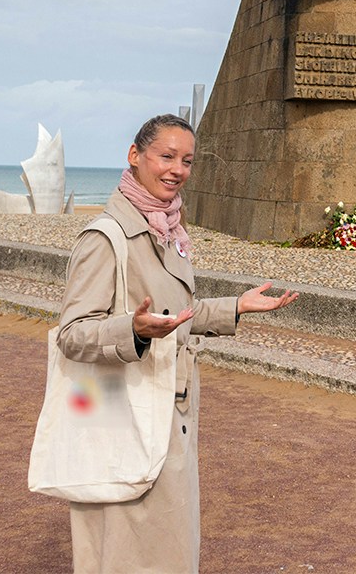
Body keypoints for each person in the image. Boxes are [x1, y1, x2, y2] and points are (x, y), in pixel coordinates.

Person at [57, 114, 299, 574]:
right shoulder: (107, 238)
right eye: (166, 156)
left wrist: (235, 307)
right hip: (125, 408)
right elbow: (73, 333)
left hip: (168, 405)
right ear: (135, 156)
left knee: (161, 543)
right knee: (126, 543)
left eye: (186, 160)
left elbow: (173, 317)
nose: (177, 169)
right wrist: (133, 330)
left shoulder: (168, 231)